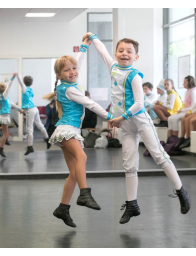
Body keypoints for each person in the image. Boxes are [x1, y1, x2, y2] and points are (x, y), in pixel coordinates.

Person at [84, 32, 190, 224]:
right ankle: (132, 204)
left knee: (159, 155)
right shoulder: (113, 67)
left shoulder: (134, 77)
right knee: (129, 164)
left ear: (136, 57)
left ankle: (180, 190)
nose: (124, 54)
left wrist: (121, 117)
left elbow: (140, 104)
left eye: (129, 52)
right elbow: (102, 52)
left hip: (139, 120)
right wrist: (93, 37)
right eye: (121, 50)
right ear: (116, 53)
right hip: (125, 125)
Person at [43, 39, 114, 228]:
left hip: (69, 130)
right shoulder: (70, 89)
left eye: (74, 68)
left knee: (74, 173)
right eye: (67, 70)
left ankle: (62, 208)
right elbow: (90, 104)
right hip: (67, 130)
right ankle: (84, 194)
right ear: (59, 74)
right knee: (82, 156)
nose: (72, 71)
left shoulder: (66, 84)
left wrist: (84, 47)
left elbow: (76, 64)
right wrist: (110, 116)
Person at [17, 73, 50, 155]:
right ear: (31, 83)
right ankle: (47, 139)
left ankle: (30, 147)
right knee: (40, 125)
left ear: (24, 83)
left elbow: (20, 82)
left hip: (30, 110)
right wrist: (23, 109)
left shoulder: (24, 89)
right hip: (35, 109)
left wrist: (17, 74)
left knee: (29, 129)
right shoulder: (31, 89)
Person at [0, 72, 22, 157]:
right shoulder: (4, 94)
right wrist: (13, 77)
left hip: (3, 115)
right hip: (3, 116)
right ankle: (0, 148)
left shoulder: (4, 97)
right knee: (5, 133)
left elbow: (11, 103)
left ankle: (5, 140)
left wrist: (19, 109)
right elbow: (9, 86)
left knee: (5, 132)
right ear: (4, 90)